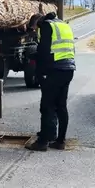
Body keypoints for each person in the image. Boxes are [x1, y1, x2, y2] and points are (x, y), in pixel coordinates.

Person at [26, 12, 76, 151]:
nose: (36, 32)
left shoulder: (46, 26)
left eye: (35, 29)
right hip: (69, 69)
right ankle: (60, 141)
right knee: (61, 106)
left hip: (55, 70)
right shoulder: (63, 24)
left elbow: (44, 52)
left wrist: (39, 71)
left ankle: (42, 143)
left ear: (37, 23)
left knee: (47, 106)